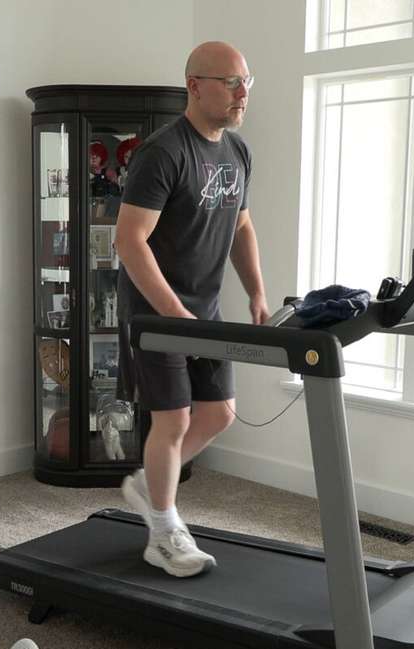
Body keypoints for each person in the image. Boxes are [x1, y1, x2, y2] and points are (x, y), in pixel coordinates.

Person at [114, 41, 269, 578]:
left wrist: (256, 291)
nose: (242, 92)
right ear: (195, 86)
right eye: (230, 82)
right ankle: (162, 533)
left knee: (219, 412)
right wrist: (173, 315)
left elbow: (241, 226)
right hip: (157, 314)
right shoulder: (164, 152)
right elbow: (129, 240)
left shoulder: (238, 152)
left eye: (247, 81)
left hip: (205, 309)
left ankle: (149, 484)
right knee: (174, 419)